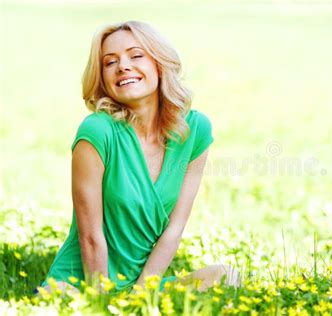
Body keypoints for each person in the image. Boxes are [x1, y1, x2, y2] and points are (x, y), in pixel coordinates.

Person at [37, 20, 240, 295]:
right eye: (110, 62)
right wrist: (102, 304)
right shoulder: (97, 131)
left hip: (141, 286)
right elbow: (90, 236)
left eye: (136, 55)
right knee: (56, 298)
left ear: (159, 63)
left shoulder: (195, 131)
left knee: (226, 276)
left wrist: (140, 297)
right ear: (103, 78)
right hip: (83, 283)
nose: (123, 66)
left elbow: (174, 228)